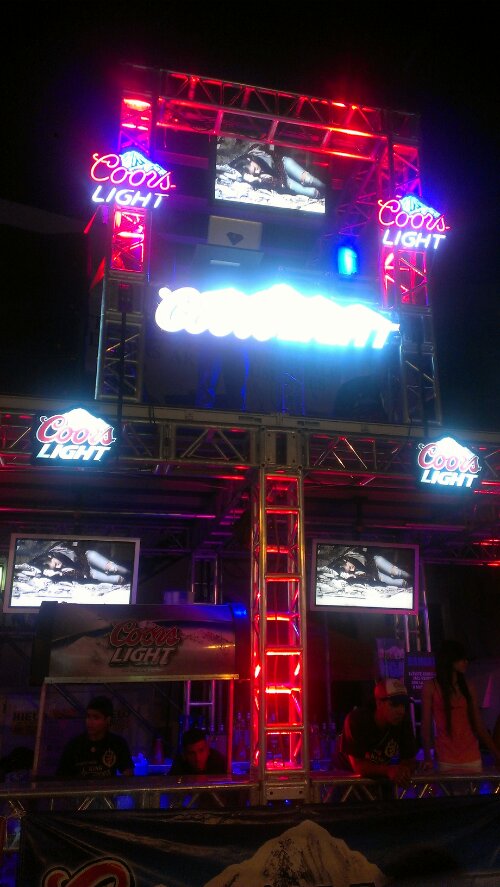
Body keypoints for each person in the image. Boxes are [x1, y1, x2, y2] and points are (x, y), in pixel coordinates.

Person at [421, 639, 500, 773]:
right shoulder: (430, 687)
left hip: (471, 755)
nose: (466, 662)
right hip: (446, 756)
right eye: (461, 659)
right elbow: (425, 727)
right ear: (450, 660)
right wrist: (427, 757)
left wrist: (496, 754)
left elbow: (479, 725)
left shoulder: (468, 687)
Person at [333, 677, 417, 787]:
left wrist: (404, 770)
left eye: (404, 704)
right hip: (344, 779)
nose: (401, 711)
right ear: (379, 703)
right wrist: (389, 770)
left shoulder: (403, 721)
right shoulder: (357, 720)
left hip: (381, 777)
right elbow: (358, 766)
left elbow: (409, 758)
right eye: (394, 704)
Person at [56, 696, 133, 779]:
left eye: (96, 717)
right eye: (88, 716)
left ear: (108, 720)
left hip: (106, 787)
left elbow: (128, 775)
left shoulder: (117, 743)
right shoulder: (74, 745)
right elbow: (62, 777)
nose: (90, 722)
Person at [230, 144, 325, 199]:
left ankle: (328, 190)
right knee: (313, 193)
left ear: (249, 159)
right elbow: (278, 184)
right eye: (255, 173)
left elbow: (273, 155)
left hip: (284, 164)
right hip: (284, 181)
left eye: (255, 169)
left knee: (309, 179)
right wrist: (257, 179)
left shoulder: (256, 152)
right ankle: (326, 197)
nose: (258, 172)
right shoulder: (257, 178)